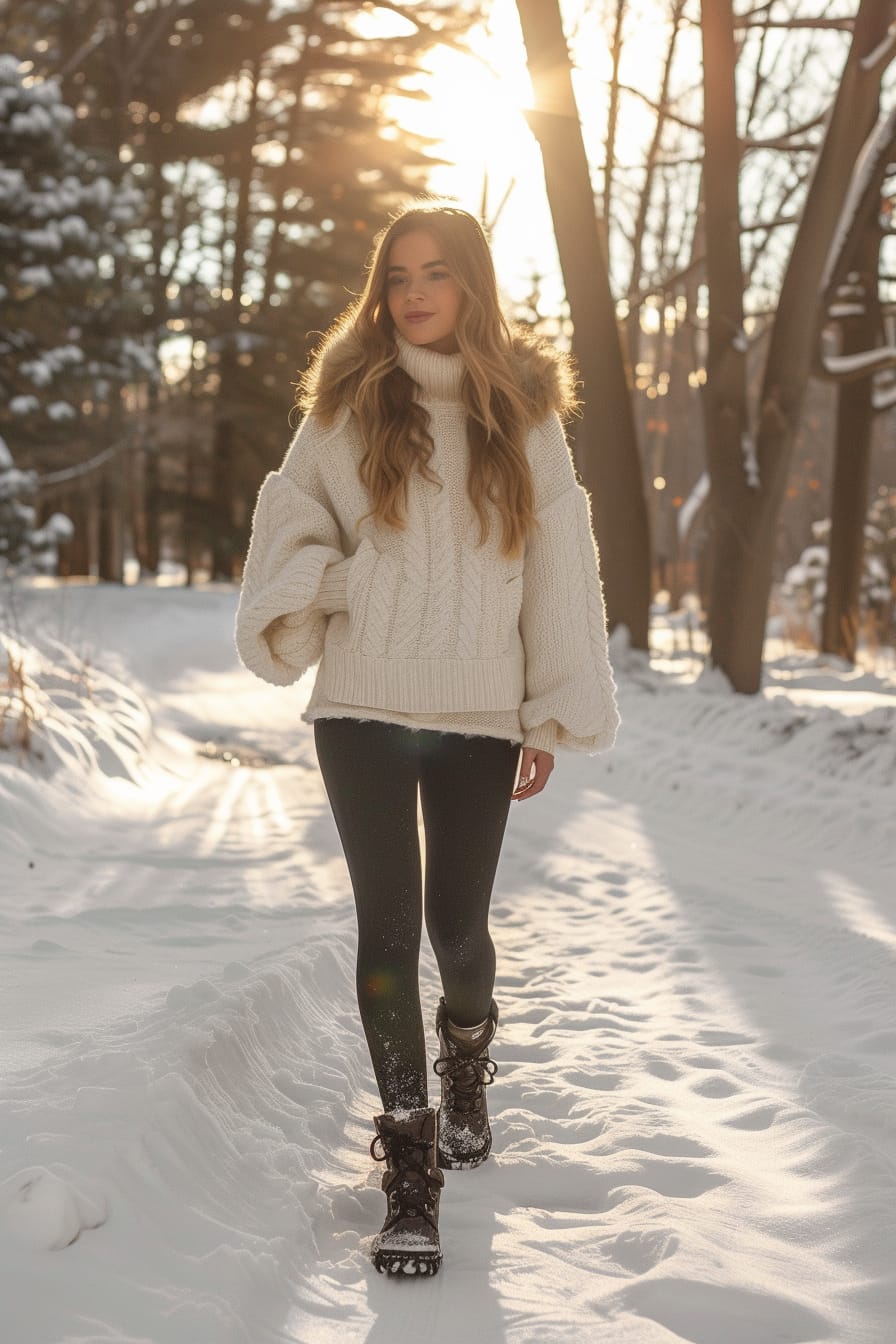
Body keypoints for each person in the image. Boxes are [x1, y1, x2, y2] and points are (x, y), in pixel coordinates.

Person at [235, 200, 619, 1277]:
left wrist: (547, 707)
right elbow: (287, 532)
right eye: (396, 273)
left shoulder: (524, 417)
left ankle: (464, 1067)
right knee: (386, 936)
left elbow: (558, 569)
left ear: (470, 285)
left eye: (435, 272)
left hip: (477, 720)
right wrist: (343, 581)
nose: (412, 291)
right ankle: (409, 1167)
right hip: (359, 708)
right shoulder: (347, 407)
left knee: (458, 933)